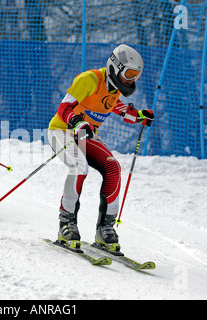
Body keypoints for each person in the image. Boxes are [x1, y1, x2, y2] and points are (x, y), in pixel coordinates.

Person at [47, 44, 155, 253]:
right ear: (116, 67)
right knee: (80, 166)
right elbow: (64, 108)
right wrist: (78, 123)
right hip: (62, 131)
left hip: (87, 135)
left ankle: (105, 229)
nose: (132, 80)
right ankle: (66, 224)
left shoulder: (114, 88)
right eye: (130, 74)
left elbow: (117, 107)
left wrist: (140, 115)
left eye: (136, 76)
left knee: (113, 168)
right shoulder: (89, 79)